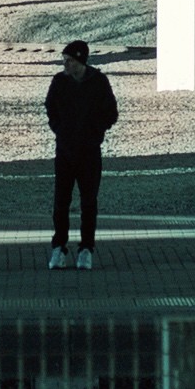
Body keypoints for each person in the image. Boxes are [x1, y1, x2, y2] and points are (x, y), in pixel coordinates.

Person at [44, 39, 118, 270]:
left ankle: (86, 248)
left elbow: (111, 113)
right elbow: (50, 108)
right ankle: (59, 246)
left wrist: (95, 131)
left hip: (89, 151)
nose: (65, 65)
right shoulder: (59, 82)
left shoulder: (98, 82)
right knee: (61, 201)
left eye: (69, 61)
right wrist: (60, 129)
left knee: (88, 202)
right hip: (65, 150)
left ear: (80, 61)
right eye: (64, 61)